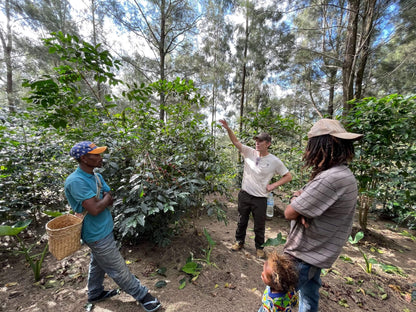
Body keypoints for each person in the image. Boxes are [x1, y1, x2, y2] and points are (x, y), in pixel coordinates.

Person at [64, 141, 161, 312]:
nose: (101, 157)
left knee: (98, 263)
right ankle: (143, 296)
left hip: (104, 228)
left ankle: (95, 293)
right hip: (95, 233)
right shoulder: (76, 181)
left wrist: (104, 200)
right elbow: (95, 209)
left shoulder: (95, 176)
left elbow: (110, 197)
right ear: (84, 158)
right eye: (96, 155)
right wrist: (104, 200)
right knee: (118, 268)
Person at [283, 118, 363, 312]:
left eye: (310, 146)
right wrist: (301, 203)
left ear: (323, 145)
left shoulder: (331, 178)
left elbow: (289, 212)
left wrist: (299, 206)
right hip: (316, 252)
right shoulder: (342, 174)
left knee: (276, 297)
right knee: (309, 297)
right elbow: (302, 204)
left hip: (304, 254)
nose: (308, 152)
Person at [219, 119, 292, 259]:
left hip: (260, 198)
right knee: (242, 220)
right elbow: (235, 142)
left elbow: (288, 176)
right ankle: (239, 242)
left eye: (260, 141)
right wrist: (228, 129)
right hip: (244, 194)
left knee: (259, 225)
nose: (257, 143)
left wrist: (274, 185)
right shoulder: (249, 152)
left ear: (268, 144)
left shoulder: (274, 161)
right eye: (256, 141)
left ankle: (259, 248)